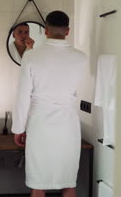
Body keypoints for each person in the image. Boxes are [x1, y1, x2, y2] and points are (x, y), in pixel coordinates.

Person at [11, 11, 87, 197]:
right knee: (68, 182)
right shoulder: (81, 57)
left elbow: (22, 96)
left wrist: (18, 128)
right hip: (67, 126)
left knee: (39, 183)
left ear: (45, 31)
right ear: (67, 31)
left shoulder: (31, 56)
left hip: (40, 125)